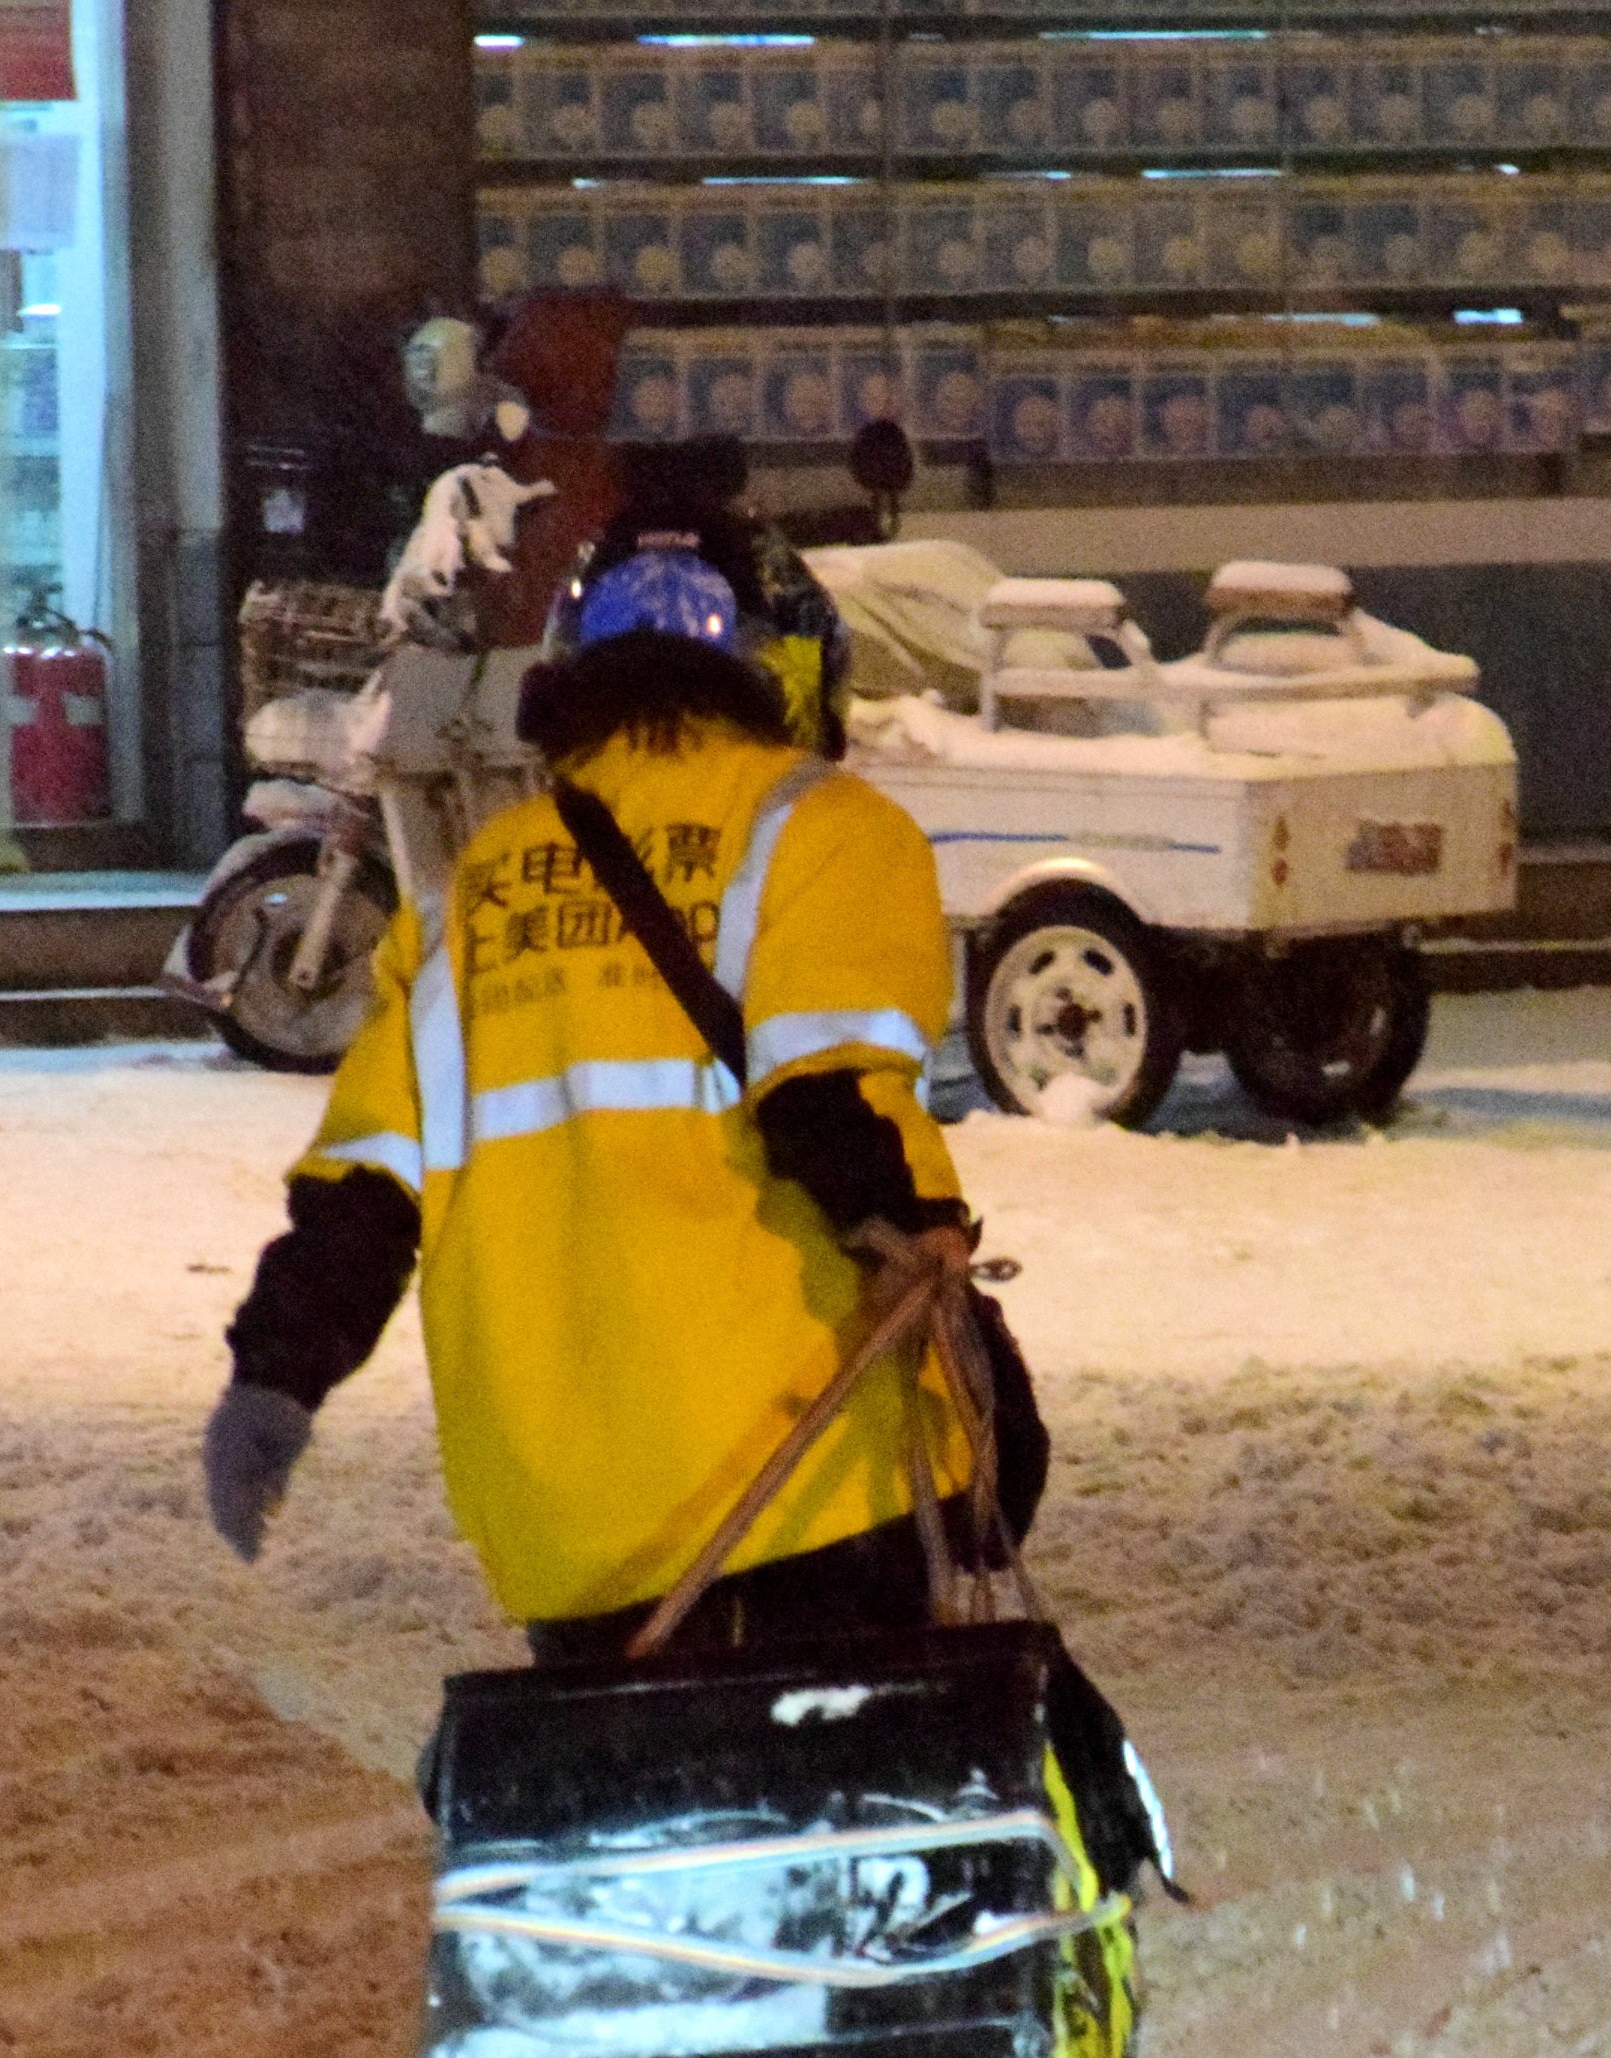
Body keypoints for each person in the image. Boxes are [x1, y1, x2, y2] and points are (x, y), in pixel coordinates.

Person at [200, 525, 1042, 1661]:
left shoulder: (475, 894)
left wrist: (274, 1378)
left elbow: (365, 1192)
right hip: (811, 1465)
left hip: (565, 1522)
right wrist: (946, 1283)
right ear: (786, 672)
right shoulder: (822, 828)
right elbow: (827, 1099)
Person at [546, 435, 855, 757]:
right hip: (739, 751)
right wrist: (819, 734)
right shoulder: (751, 548)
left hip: (614, 747)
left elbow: (559, 644)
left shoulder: (607, 548)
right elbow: (822, 636)